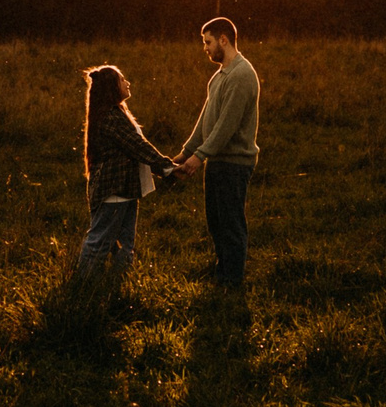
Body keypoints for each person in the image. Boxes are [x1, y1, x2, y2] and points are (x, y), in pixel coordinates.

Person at [171, 16, 261, 287]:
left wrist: (200, 157)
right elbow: (206, 119)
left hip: (234, 163)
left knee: (231, 223)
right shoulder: (219, 76)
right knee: (216, 222)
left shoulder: (242, 75)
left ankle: (232, 282)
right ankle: (223, 272)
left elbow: (226, 126)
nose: (205, 48)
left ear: (224, 40)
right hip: (217, 161)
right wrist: (185, 153)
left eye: (208, 42)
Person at [78, 63, 176, 283]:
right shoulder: (111, 118)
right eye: (123, 80)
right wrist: (167, 168)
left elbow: (139, 146)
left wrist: (166, 166)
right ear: (113, 87)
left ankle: (117, 284)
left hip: (126, 189)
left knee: (125, 244)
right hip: (115, 190)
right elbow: (137, 146)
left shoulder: (117, 113)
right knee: (100, 242)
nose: (128, 83)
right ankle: (82, 286)